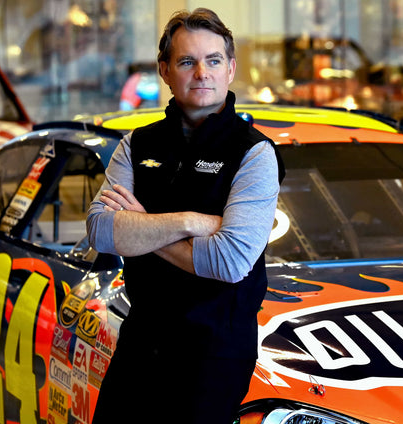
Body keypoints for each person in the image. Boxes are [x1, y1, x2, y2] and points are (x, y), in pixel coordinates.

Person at [86, 8, 284, 424]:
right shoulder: (135, 146)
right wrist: (191, 221)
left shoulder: (254, 154)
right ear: (165, 70)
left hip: (214, 354)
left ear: (230, 69)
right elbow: (102, 230)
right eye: (186, 61)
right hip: (142, 340)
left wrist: (142, 226)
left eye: (213, 60)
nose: (201, 73)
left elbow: (230, 262)